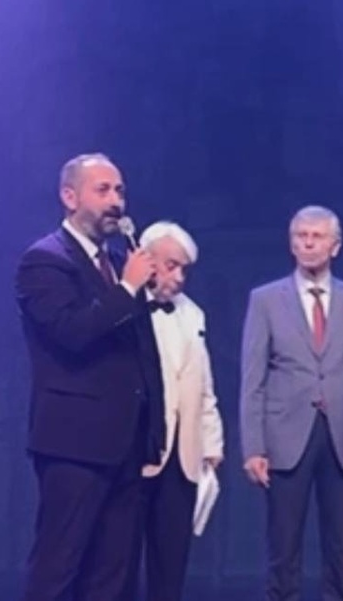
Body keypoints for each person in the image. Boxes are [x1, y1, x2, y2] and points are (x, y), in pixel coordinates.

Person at [15, 152, 164, 601]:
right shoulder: (45, 261)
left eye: (120, 190)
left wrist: (153, 428)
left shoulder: (117, 261)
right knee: (59, 565)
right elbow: (72, 332)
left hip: (125, 442)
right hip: (74, 443)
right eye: (103, 190)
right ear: (69, 196)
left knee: (113, 574)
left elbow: (140, 353)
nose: (116, 200)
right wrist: (127, 289)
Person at [239, 205, 343, 601]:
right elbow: (253, 380)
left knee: (342, 546)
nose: (308, 243)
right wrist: (253, 447)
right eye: (300, 236)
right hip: (286, 437)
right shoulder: (266, 300)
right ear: (291, 244)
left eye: (316, 236)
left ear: (335, 246)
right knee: (283, 545)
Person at [136, 221, 225, 601]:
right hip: (136, 451)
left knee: (171, 561)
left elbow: (204, 384)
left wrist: (212, 443)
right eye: (171, 266)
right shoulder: (125, 307)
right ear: (146, 260)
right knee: (119, 559)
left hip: (182, 455)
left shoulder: (193, 314)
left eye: (184, 269)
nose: (179, 277)